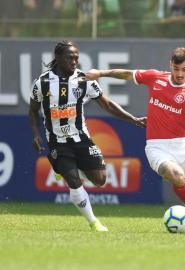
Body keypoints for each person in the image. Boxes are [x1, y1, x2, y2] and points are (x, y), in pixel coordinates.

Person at [85, 47, 185, 232]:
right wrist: (100, 73)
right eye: (176, 69)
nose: (180, 74)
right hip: (157, 147)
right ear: (170, 65)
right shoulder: (156, 78)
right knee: (176, 175)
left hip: (181, 145)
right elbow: (126, 74)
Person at [28, 40, 146, 232]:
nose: (74, 62)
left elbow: (107, 104)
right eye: (70, 58)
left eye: (76, 58)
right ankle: (94, 222)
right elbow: (33, 110)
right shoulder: (42, 83)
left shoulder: (85, 80)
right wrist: (35, 134)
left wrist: (133, 119)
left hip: (81, 138)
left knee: (100, 180)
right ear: (58, 58)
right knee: (74, 181)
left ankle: (63, 169)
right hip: (57, 141)